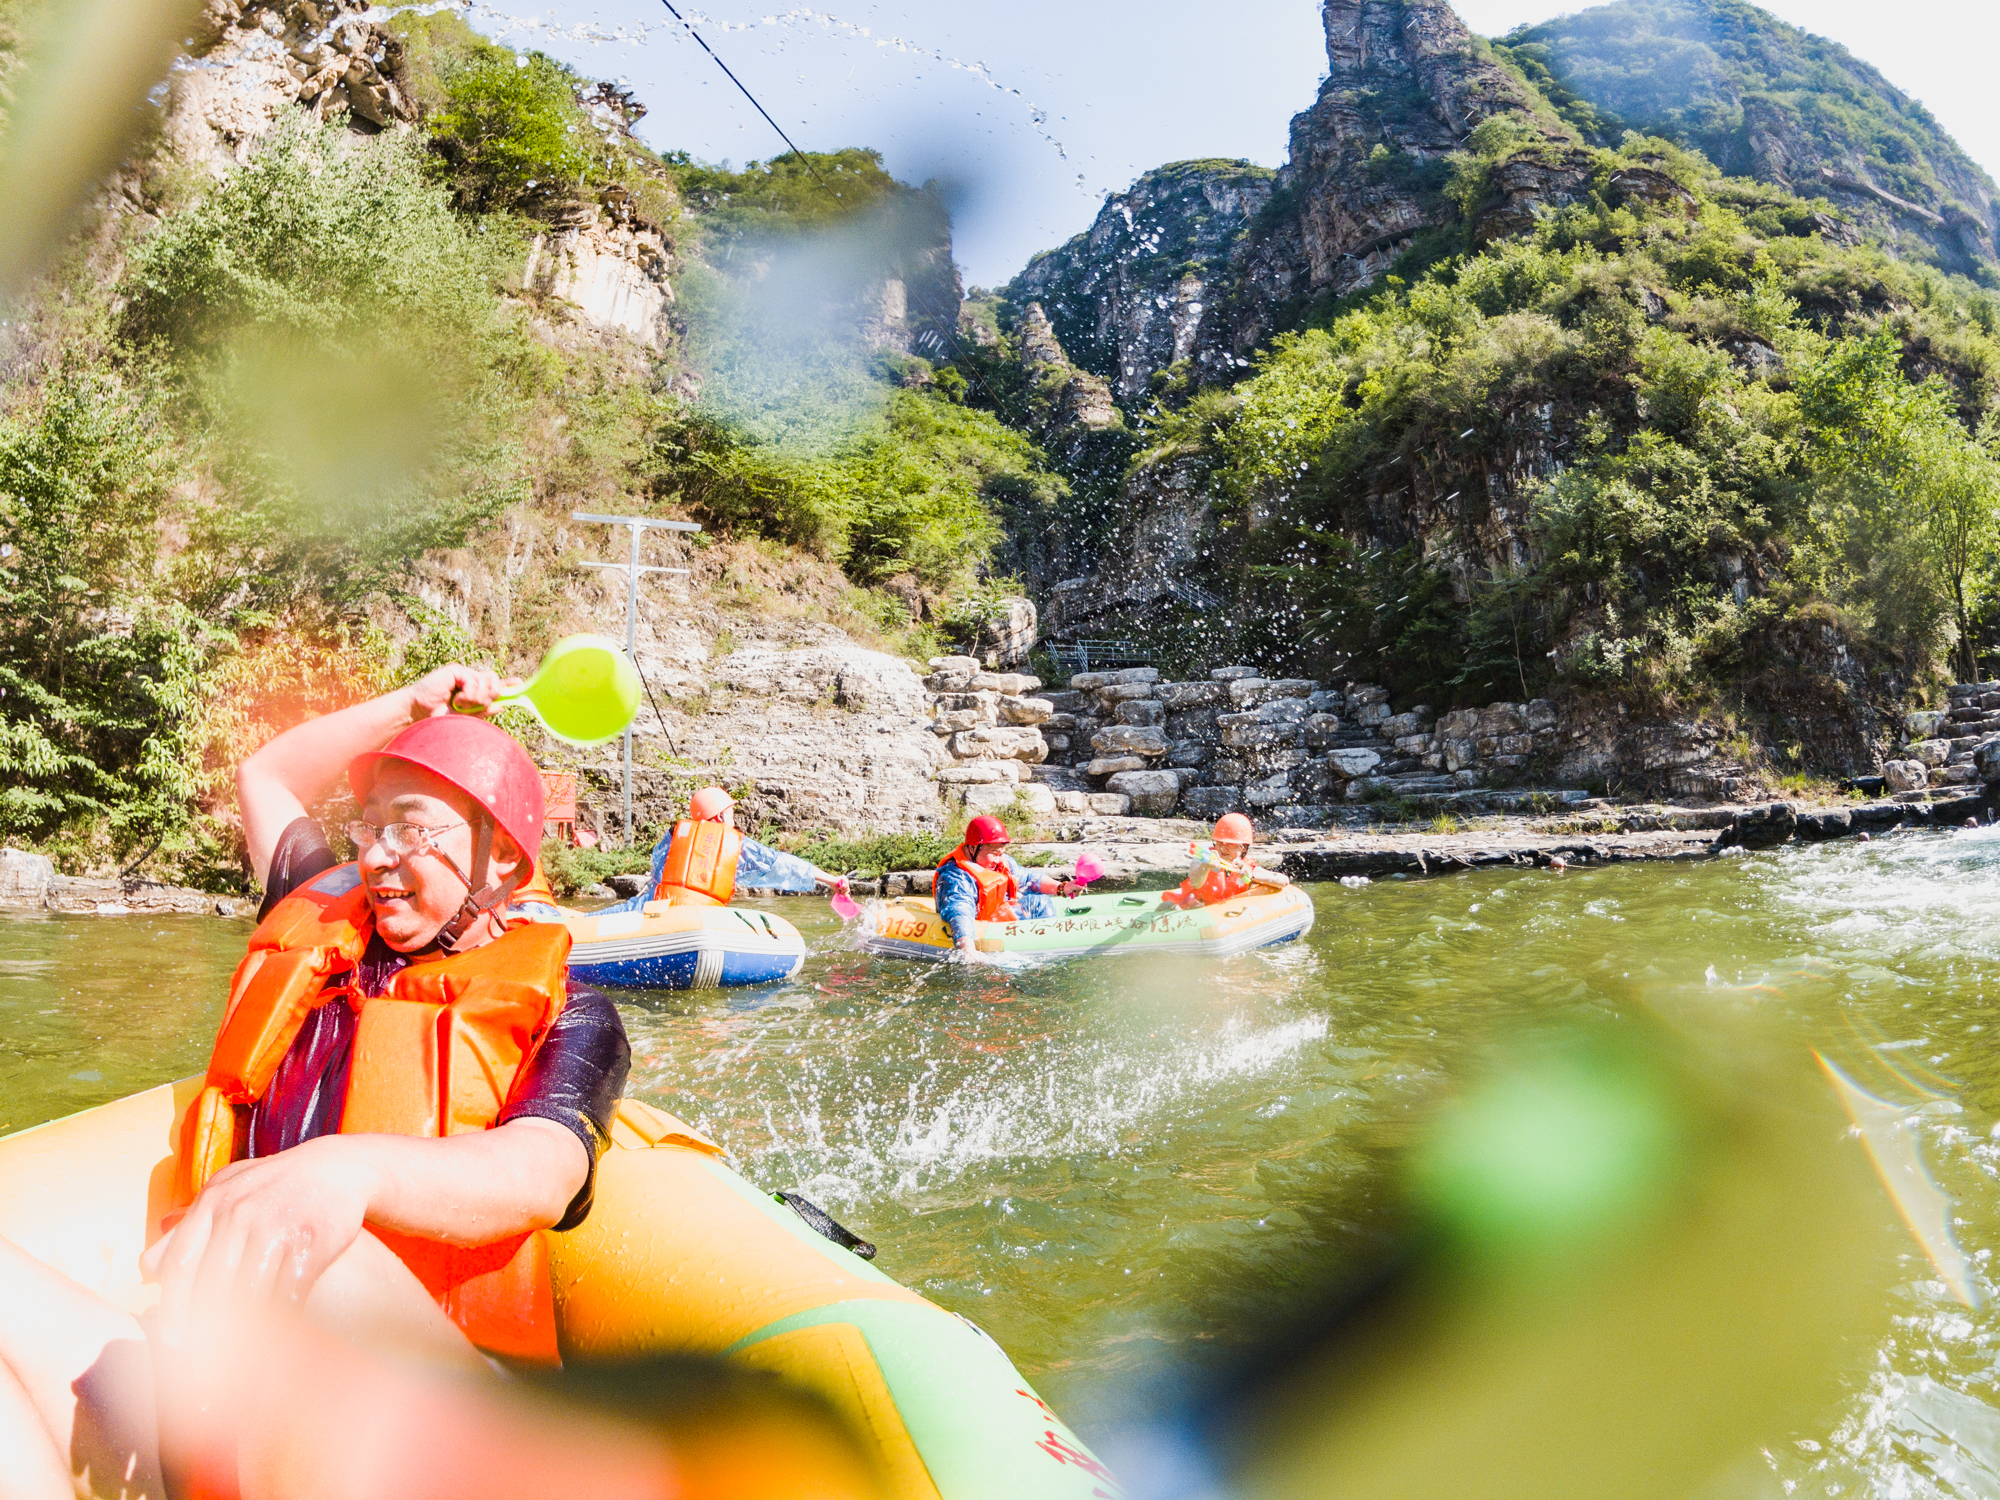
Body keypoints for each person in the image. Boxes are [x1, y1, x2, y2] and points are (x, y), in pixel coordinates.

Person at [0, 664, 631, 1497]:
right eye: (367, 827)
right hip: (218, 1393)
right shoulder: (314, 911)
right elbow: (265, 774)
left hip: (430, 1418)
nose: (376, 857)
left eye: (412, 830)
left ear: (505, 859)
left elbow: (539, 1173)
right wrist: (407, 705)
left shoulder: (575, 1012)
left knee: (314, 1247)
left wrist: (339, 1174)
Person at [601, 785, 838, 912]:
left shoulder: (674, 837)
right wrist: (832, 880)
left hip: (653, 910)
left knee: (606, 917)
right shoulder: (732, 844)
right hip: (696, 917)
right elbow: (780, 865)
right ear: (721, 816)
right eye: (731, 812)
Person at [934, 814, 1083, 962]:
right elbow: (960, 909)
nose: (999, 859)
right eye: (994, 854)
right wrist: (968, 950)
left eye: (1001, 853)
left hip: (997, 915)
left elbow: (1028, 878)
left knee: (1040, 902)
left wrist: (1062, 887)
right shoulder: (955, 876)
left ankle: (1052, 947)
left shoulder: (1000, 862)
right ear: (973, 848)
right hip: (982, 926)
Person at [1162, 812, 1291, 908]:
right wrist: (1205, 867)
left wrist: (1251, 875)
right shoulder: (1204, 857)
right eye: (1220, 843)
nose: (1223, 848)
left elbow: (1283, 881)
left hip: (1223, 917)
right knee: (1169, 906)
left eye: (1229, 843)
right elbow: (1195, 883)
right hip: (1192, 907)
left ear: (1244, 847)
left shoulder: (1246, 866)